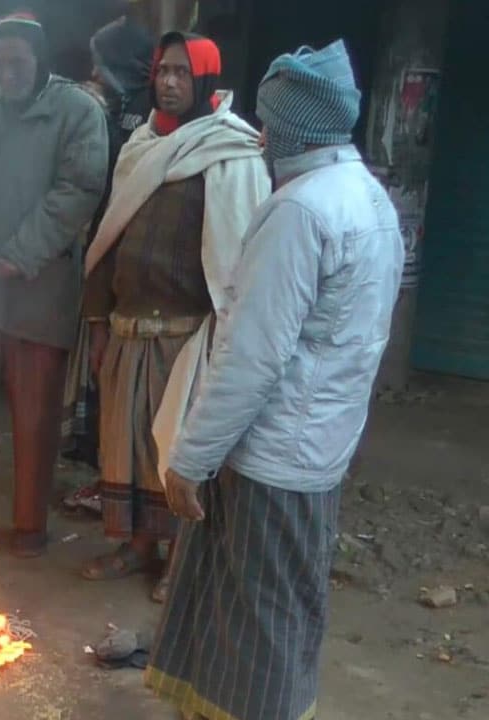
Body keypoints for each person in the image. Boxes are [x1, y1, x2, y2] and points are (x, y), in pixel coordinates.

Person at [147, 40, 402, 720]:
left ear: (291, 127)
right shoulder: (369, 199)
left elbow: (252, 355)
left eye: (270, 121)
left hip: (270, 458)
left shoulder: (299, 212)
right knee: (273, 607)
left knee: (256, 623)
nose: (260, 135)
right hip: (317, 451)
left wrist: (190, 459)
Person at [78, 32, 270, 601]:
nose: (168, 82)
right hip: (127, 327)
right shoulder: (140, 145)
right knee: (126, 444)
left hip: (188, 335)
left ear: (205, 80)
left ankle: (180, 560)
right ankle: (136, 546)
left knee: (176, 450)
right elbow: (106, 237)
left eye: (182, 73)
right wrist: (96, 324)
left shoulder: (233, 153)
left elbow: (240, 253)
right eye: (163, 70)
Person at [0, 11, 109, 558]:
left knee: (35, 414)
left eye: (17, 62)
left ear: (41, 62)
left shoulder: (78, 112)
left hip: (40, 284)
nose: (6, 72)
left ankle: (29, 527)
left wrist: (17, 255)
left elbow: (78, 189)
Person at [60, 15, 156, 514]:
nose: (96, 76)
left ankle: (118, 486)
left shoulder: (142, 118)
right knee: (106, 378)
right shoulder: (118, 107)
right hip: (107, 263)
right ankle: (110, 479)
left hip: (132, 274)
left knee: (120, 385)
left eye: (103, 66)